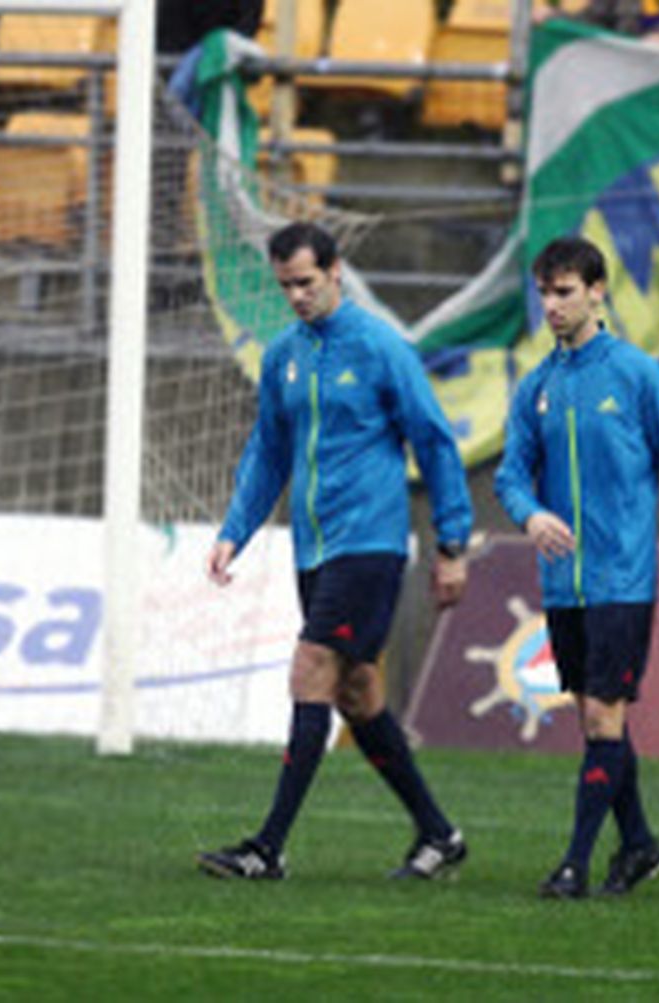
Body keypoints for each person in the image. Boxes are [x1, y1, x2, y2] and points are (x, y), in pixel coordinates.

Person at [196, 222, 474, 883]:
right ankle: (439, 832)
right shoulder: (284, 355)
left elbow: (434, 442)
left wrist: (453, 542)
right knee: (356, 690)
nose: (295, 296)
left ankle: (268, 846)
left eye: (306, 282)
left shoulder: (380, 347)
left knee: (311, 668)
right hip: (314, 548)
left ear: (335, 271)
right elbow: (269, 450)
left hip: (371, 544)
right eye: (285, 285)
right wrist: (234, 528)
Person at [494, 236, 659, 899]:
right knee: (598, 718)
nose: (552, 306)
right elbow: (509, 474)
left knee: (601, 718)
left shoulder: (638, 375)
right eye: (544, 294)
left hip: (621, 580)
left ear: (597, 290)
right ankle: (640, 844)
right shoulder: (537, 386)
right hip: (564, 585)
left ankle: (574, 864)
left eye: (563, 292)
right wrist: (530, 513)